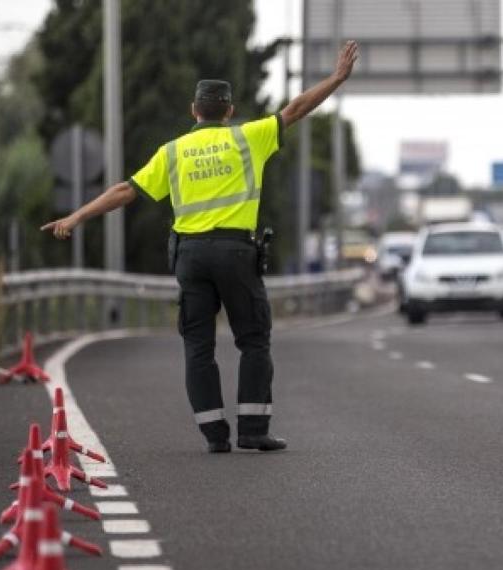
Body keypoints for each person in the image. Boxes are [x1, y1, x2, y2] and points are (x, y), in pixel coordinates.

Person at [42, 40, 360, 453]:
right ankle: (252, 430)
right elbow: (296, 109)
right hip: (235, 254)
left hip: (190, 257)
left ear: (194, 111)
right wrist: (336, 78)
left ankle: (215, 436)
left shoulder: (172, 152)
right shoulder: (250, 138)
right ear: (229, 111)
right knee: (253, 340)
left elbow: (125, 190)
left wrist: (76, 217)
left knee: (198, 346)